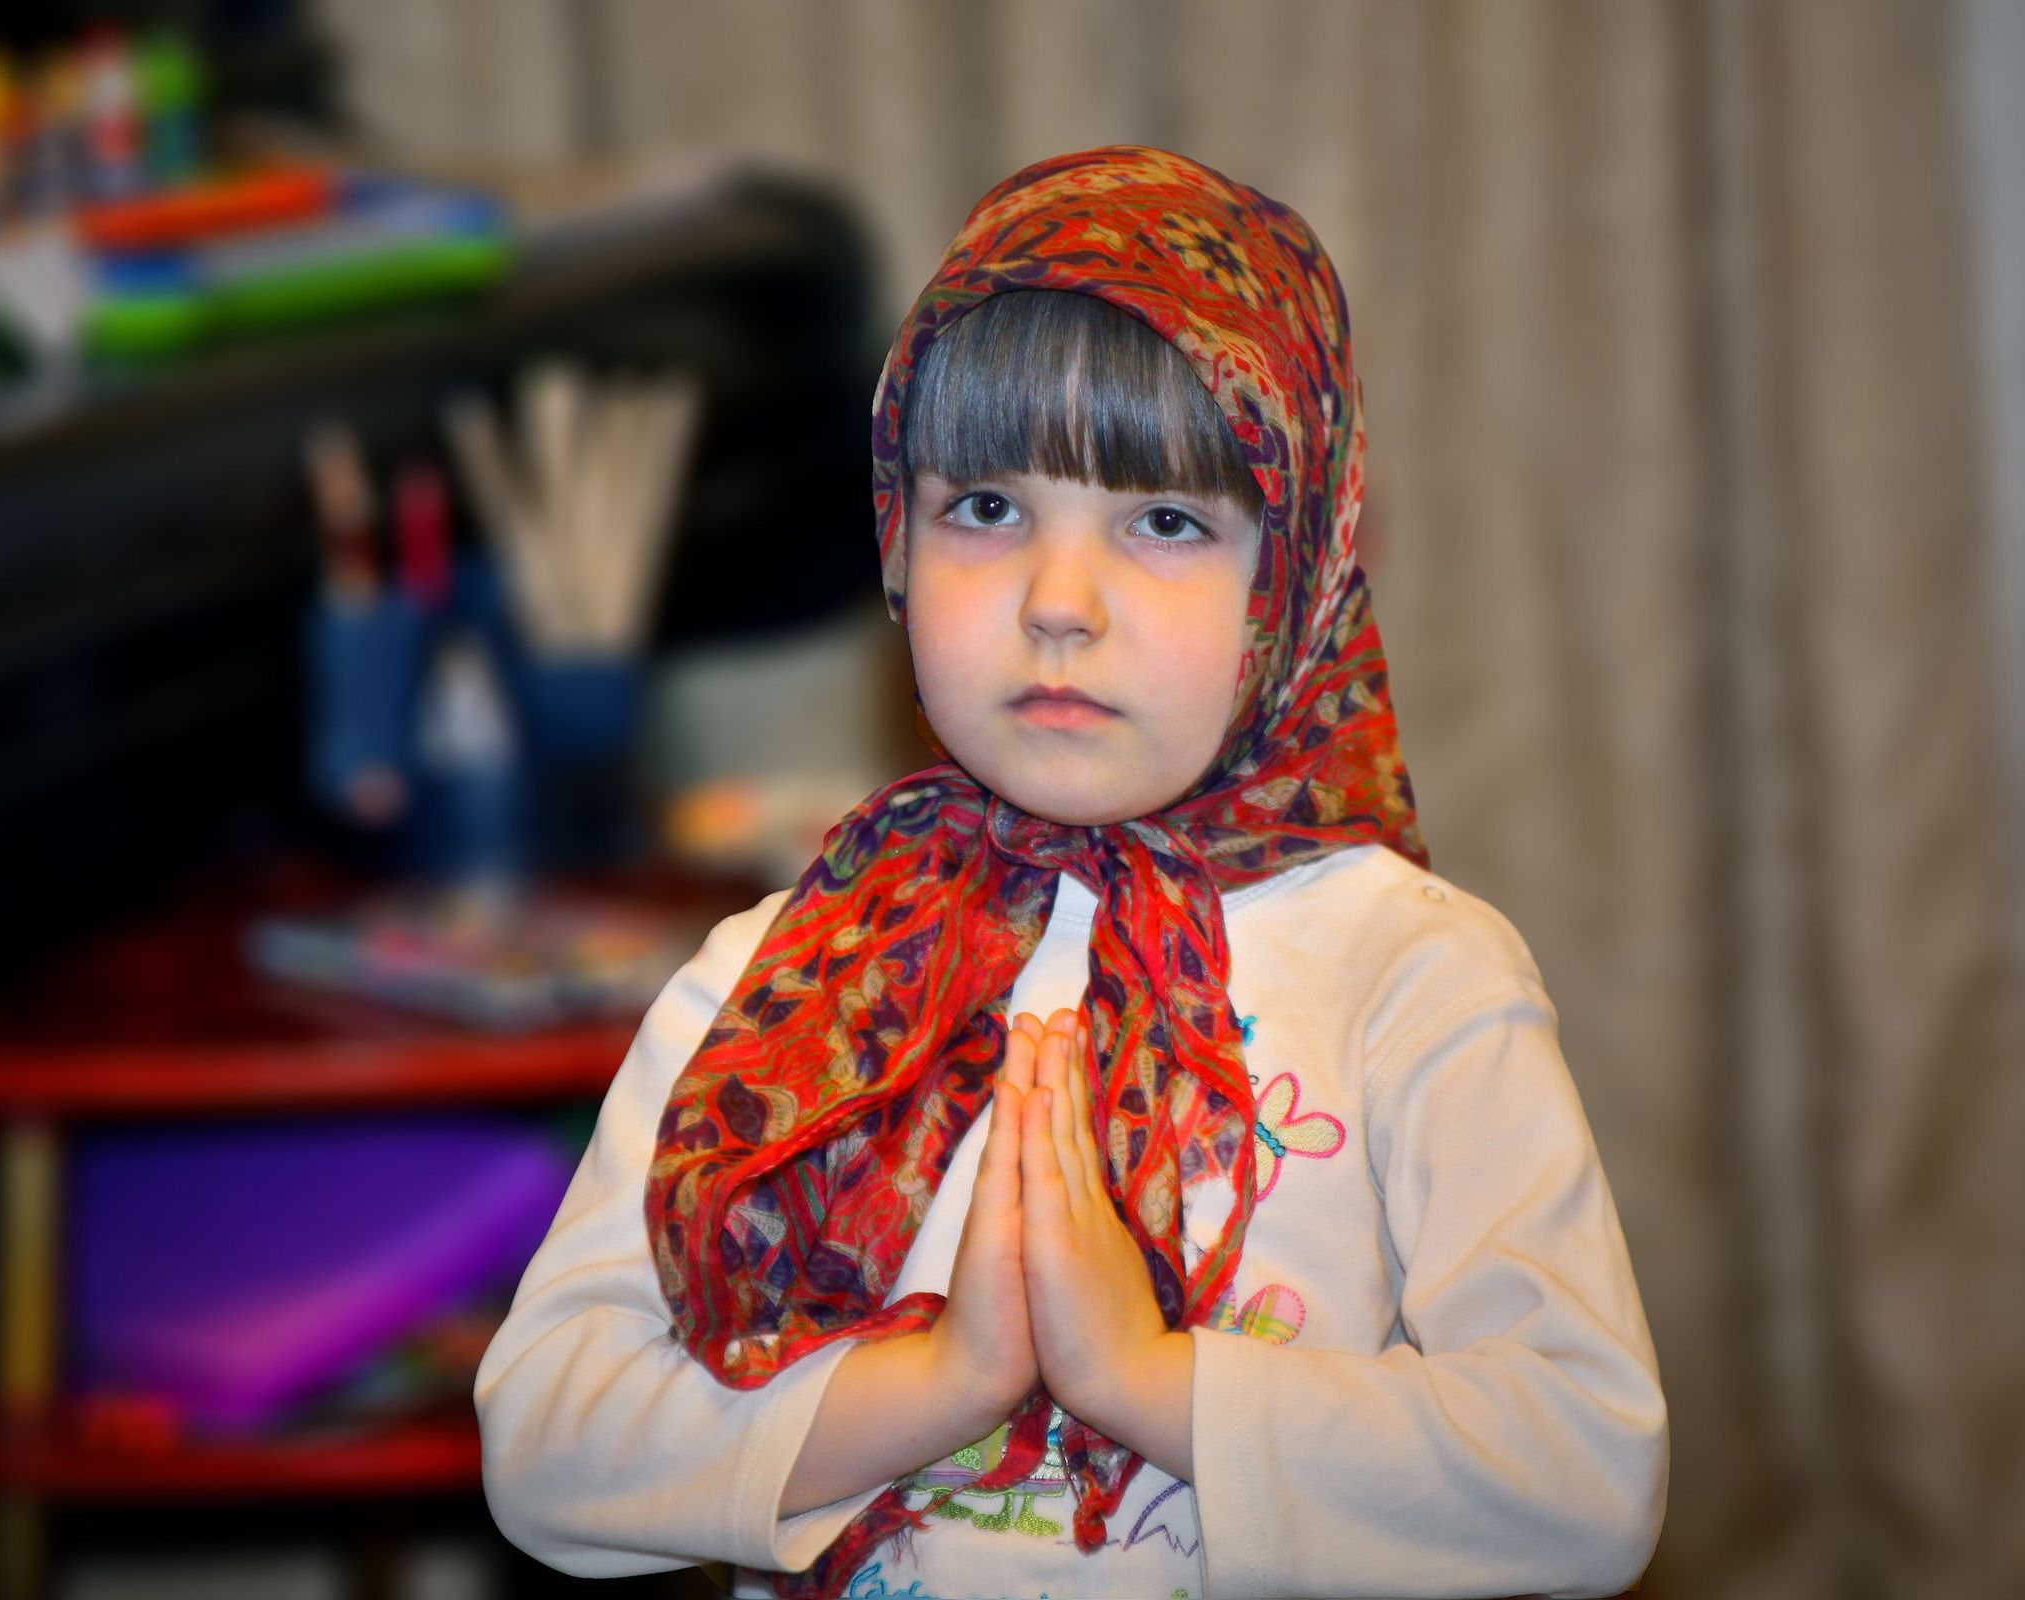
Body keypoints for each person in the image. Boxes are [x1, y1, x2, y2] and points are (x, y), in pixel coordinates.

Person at [476, 145, 1668, 1600]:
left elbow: (1584, 1475)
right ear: (896, 538)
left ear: (1291, 580)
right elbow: (545, 1441)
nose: (1057, 602)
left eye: (1165, 521)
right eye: (985, 508)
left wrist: (1140, 1375)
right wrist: (945, 1379)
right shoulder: (772, 974)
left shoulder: (1410, 975)